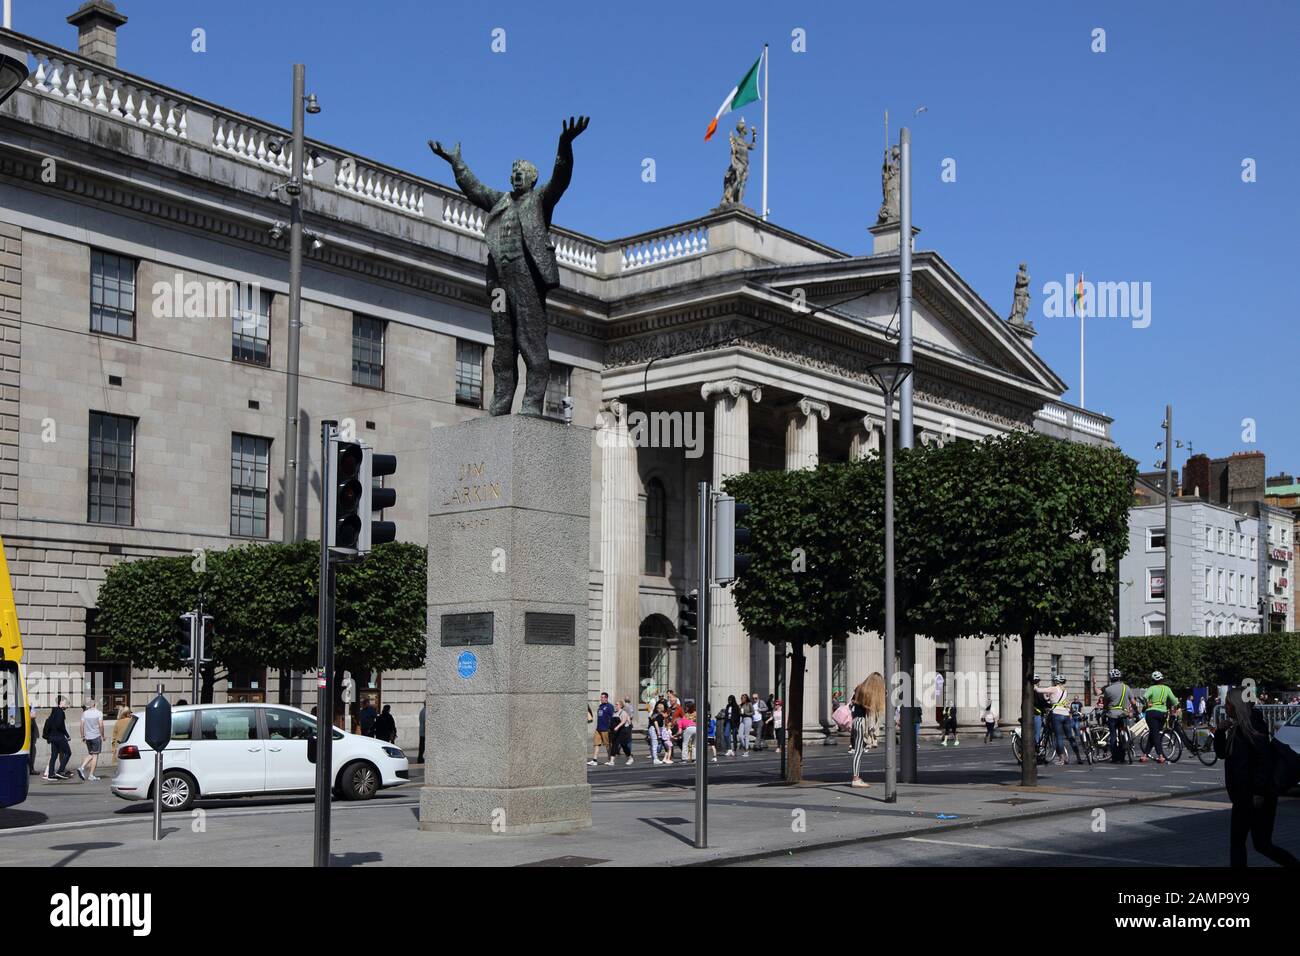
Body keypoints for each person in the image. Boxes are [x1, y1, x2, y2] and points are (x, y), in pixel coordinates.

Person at [1215, 686, 1299, 868]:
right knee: (1250, 844)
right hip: (1243, 796)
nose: (1225, 706)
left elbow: (1263, 762)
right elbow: (1221, 753)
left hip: (1256, 797)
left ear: (1237, 704)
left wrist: (1258, 793)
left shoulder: (1252, 727)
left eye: (1228, 703)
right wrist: (1220, 732)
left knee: (1260, 844)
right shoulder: (1237, 727)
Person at [1140, 671, 1178, 765]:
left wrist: (1147, 704)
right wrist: (1173, 709)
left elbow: (1143, 697)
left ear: (1153, 680)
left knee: (1155, 734)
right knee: (1154, 733)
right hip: (1163, 713)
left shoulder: (1151, 688)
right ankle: (1145, 754)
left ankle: (1160, 755)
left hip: (1152, 713)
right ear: (1162, 679)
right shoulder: (1167, 689)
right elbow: (1174, 701)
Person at [1045, 677, 1081, 765]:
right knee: (1070, 737)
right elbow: (1066, 703)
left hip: (1057, 713)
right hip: (1066, 714)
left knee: (1059, 737)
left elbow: (1042, 694)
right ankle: (1078, 757)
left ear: (1055, 682)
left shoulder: (1053, 689)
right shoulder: (1065, 690)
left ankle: (1062, 759)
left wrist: (1035, 687)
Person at [1102, 669, 1134, 764]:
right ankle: (1122, 756)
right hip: (1124, 714)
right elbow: (1133, 702)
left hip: (1112, 715)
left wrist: (1105, 710)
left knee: (1113, 736)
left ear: (1111, 678)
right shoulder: (1126, 687)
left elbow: (1105, 704)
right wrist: (1133, 710)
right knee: (1122, 734)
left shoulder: (1108, 689)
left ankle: (1115, 757)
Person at [42, 696, 73, 780]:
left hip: (52, 737)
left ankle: (51, 774)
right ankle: (60, 771)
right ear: (61, 702)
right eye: (67, 703)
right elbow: (60, 726)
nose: (68, 706)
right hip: (59, 736)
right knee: (68, 753)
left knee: (54, 755)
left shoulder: (54, 711)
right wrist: (67, 735)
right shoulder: (60, 712)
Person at [75, 698, 105, 782]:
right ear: (95, 704)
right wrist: (103, 735)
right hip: (96, 736)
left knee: (91, 754)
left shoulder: (84, 713)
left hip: (88, 737)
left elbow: (81, 725)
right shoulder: (99, 713)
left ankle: (82, 767)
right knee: (95, 755)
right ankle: (91, 774)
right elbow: (101, 725)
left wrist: (82, 736)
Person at [849, 680, 871, 788]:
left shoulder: (855, 697)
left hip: (856, 722)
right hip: (860, 722)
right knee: (858, 751)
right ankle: (855, 778)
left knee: (858, 750)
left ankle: (856, 777)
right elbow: (868, 708)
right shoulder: (862, 698)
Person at [588, 691, 615, 766]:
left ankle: (610, 760)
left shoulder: (610, 707)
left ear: (606, 698)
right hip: (598, 729)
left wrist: (611, 728)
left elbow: (612, 718)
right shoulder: (600, 706)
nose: (601, 698)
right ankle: (594, 760)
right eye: (601, 697)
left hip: (606, 729)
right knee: (596, 744)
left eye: (603, 697)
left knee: (608, 745)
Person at [608, 696, 634, 765]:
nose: (615, 705)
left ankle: (630, 758)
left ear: (620, 705)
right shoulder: (615, 712)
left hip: (622, 731)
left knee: (624, 745)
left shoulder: (623, 712)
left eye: (617, 704)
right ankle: (611, 761)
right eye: (615, 704)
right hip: (616, 732)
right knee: (614, 745)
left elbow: (623, 721)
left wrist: (617, 727)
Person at [27, 703, 39, 775]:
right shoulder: (13, 703)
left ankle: (31, 768)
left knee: (31, 749)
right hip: (20, 730)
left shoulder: (30, 704)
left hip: (30, 728)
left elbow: (34, 715)